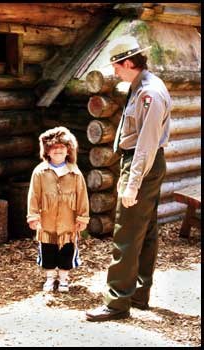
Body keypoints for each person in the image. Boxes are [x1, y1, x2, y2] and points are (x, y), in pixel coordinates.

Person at [86, 34, 172, 321]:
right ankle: (137, 294)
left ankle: (116, 303)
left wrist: (132, 184)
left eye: (117, 66)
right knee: (144, 230)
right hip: (143, 162)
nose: (114, 72)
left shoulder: (150, 93)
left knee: (126, 233)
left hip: (141, 164)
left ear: (130, 62)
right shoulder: (139, 86)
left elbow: (146, 145)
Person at [27, 126, 89, 293]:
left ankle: (63, 279)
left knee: (66, 250)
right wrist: (33, 216)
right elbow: (33, 195)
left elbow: (82, 196)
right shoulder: (39, 172)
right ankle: (49, 278)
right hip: (47, 222)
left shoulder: (75, 173)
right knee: (48, 250)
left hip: (68, 223)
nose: (58, 151)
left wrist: (82, 218)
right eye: (54, 149)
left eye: (62, 148)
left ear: (68, 151)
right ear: (47, 151)